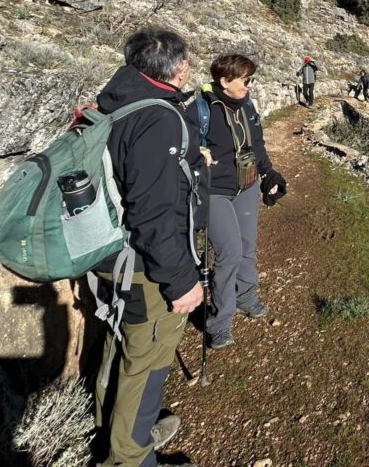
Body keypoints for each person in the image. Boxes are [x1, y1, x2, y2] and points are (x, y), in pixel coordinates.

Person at [93, 27, 206, 467]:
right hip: (143, 266)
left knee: (120, 347)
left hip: (108, 255)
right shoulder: (158, 117)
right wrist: (182, 282)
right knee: (149, 363)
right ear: (179, 69)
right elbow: (154, 214)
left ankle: (117, 432)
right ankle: (132, 457)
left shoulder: (117, 99)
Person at [200, 54, 275, 350]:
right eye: (245, 80)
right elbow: (185, 145)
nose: (249, 85)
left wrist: (269, 172)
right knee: (229, 252)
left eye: (251, 79)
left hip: (246, 186)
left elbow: (256, 143)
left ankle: (246, 298)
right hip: (213, 191)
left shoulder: (247, 105)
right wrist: (198, 152)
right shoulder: (201, 108)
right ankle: (219, 323)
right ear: (224, 81)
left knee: (247, 246)